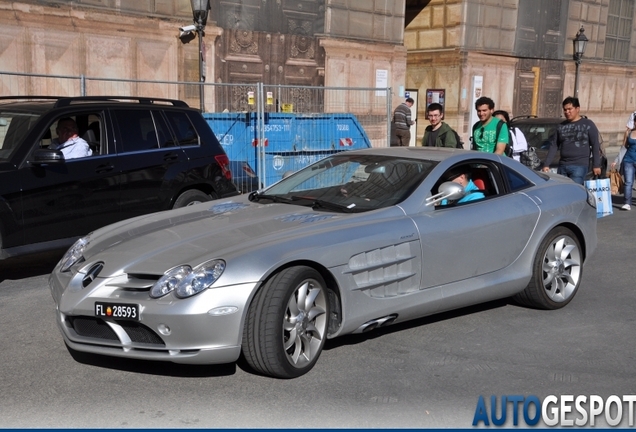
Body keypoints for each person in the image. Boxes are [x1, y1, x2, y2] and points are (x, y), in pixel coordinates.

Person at [541, 97, 601, 185]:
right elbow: (554, 145)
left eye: (570, 109)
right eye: (565, 110)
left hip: (579, 166)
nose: (567, 112)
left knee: (575, 191)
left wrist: (596, 165)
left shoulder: (588, 124)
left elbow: (595, 145)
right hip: (563, 166)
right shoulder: (561, 126)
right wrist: (546, 164)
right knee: (562, 192)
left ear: (577, 109)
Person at [613, 124, 636, 210]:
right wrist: (616, 160)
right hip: (628, 160)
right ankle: (627, 203)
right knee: (628, 182)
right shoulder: (629, 132)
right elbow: (624, 147)